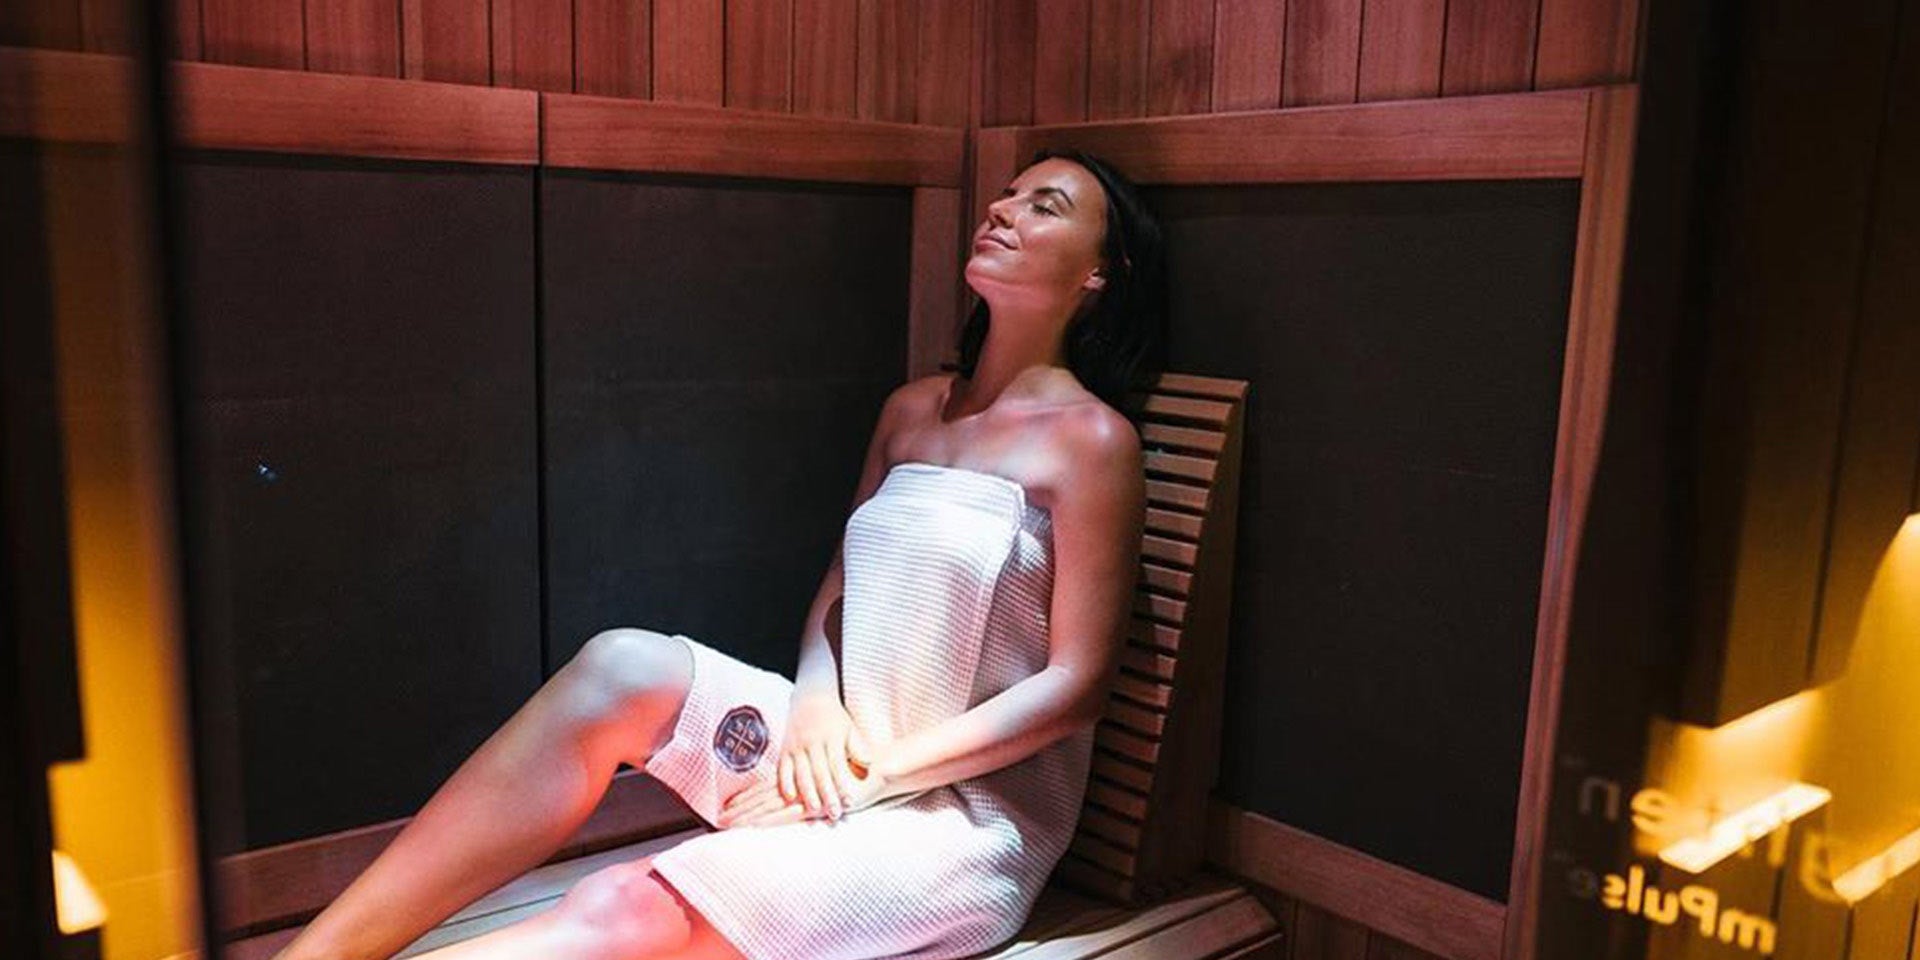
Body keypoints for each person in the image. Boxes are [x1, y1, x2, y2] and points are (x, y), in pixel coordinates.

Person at [271, 148, 1167, 960]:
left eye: (1042, 205)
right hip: (836, 748)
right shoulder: (914, 409)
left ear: (1099, 273)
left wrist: (872, 779)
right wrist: (817, 707)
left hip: (956, 821)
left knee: (628, 903)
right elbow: (839, 591)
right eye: (1003, 197)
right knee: (622, 666)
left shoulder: (1092, 442)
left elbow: (1076, 685)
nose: (1002, 212)